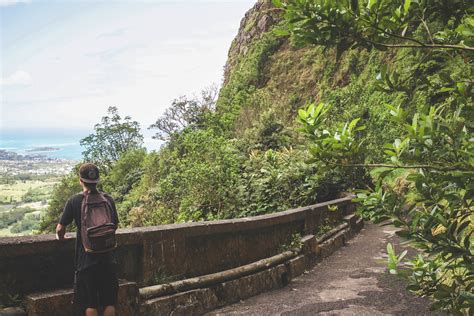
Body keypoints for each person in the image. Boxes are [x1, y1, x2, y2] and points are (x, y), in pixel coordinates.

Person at [56, 163, 119, 316]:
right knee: (109, 302)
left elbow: (60, 228)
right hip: (108, 258)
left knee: (90, 304)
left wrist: (61, 237)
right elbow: (115, 225)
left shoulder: (75, 201)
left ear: (80, 180)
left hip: (86, 260)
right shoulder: (108, 199)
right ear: (97, 180)